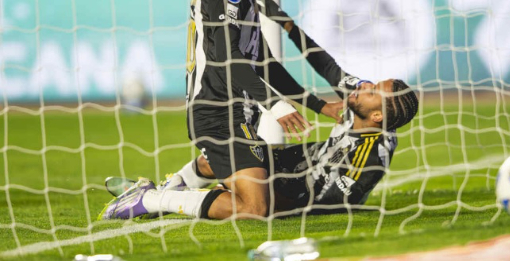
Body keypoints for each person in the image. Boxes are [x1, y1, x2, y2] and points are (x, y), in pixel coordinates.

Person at [145, 0, 344, 221]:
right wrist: (275, 105)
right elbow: (228, 59)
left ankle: (185, 179)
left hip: (238, 114)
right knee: (255, 208)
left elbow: (265, 65)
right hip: (217, 113)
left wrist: (320, 106)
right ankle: (154, 199)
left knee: (282, 199)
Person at [98, 78, 418, 220]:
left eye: (372, 91)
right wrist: (288, 26)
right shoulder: (364, 111)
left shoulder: (370, 155)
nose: (364, 86)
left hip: (301, 190)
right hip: (299, 162)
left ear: (377, 117)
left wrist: (275, 199)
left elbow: (329, 200)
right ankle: (171, 186)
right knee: (221, 156)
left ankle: (151, 199)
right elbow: (327, 65)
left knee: (250, 203)